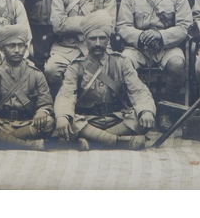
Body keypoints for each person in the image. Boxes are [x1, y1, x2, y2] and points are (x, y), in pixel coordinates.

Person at [116, 0, 192, 130]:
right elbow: (123, 26)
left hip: (167, 47)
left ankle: (166, 109)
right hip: (138, 48)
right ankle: (135, 108)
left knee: (177, 64)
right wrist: (140, 37)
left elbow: (185, 27)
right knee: (124, 61)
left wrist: (161, 36)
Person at [55, 10, 156, 150]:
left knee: (141, 119)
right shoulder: (76, 66)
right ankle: (120, 142)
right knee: (70, 122)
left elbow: (138, 90)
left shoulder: (121, 62)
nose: (97, 43)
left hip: (116, 119)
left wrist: (146, 111)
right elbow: (66, 94)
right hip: (88, 120)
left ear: (108, 40)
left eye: (102, 38)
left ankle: (94, 140)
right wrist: (62, 116)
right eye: (92, 39)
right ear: (85, 40)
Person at [0, 25, 54, 151]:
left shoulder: (36, 74)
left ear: (26, 48)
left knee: (48, 121)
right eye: (11, 46)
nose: (17, 50)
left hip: (26, 123)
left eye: (21, 45)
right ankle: (28, 145)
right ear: (1, 48)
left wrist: (42, 111)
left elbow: (47, 103)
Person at [44, 0, 116, 96]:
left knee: (108, 74)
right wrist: (96, 21)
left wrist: (70, 23)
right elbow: (57, 24)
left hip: (97, 48)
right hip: (66, 48)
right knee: (51, 69)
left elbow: (109, 25)